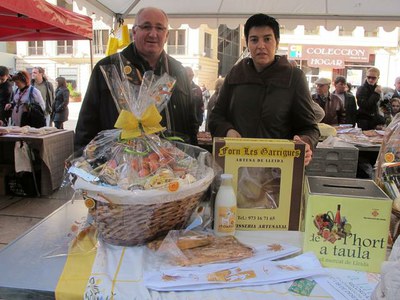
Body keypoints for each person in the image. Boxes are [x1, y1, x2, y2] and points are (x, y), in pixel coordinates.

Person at [74, 7, 198, 150]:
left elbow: (191, 123)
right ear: (134, 32)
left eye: (159, 28)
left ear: (167, 35)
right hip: (117, 167)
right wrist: (85, 162)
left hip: (172, 167)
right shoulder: (108, 68)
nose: (153, 34)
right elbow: (86, 125)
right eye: (146, 27)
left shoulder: (179, 71)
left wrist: (192, 159)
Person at [208, 13, 319, 166]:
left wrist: (306, 143)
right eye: (254, 40)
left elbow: (309, 128)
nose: (261, 46)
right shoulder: (236, 74)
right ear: (247, 44)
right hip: (238, 165)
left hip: (279, 168)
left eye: (267, 39)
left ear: (277, 43)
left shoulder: (294, 77)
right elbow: (216, 117)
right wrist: (228, 130)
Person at [185, 66, 203, 131]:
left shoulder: (198, 89)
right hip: (184, 122)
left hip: (195, 123)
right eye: (189, 75)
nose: (191, 77)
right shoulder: (180, 88)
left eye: (192, 75)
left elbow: (201, 106)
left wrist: (200, 121)